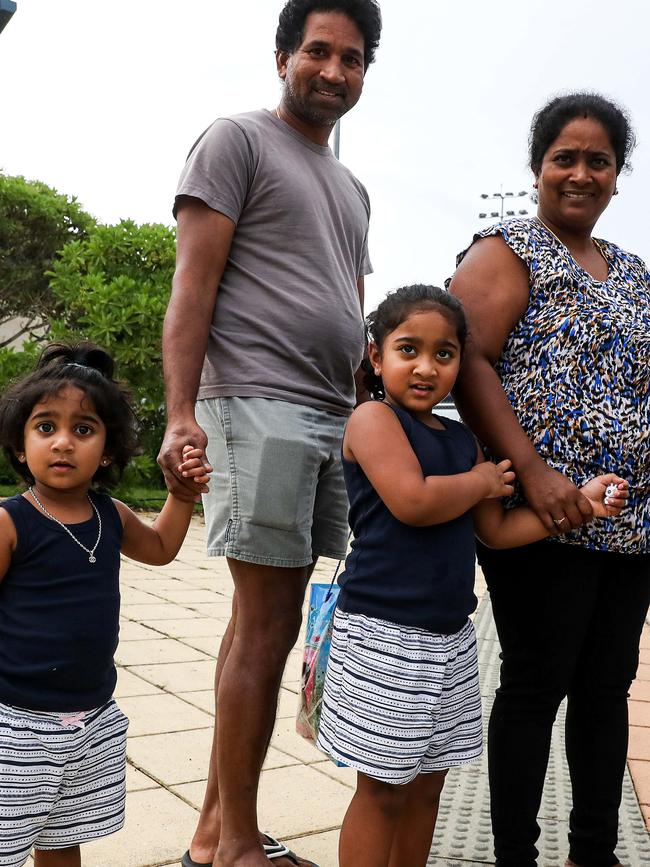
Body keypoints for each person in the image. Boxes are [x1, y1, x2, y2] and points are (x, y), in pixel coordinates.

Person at [157, 1, 382, 865]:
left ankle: (215, 830)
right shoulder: (237, 140)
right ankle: (238, 846)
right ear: (283, 54)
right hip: (257, 399)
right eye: (318, 51)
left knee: (269, 621)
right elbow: (193, 286)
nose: (333, 69)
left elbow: (347, 306)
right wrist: (182, 414)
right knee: (264, 621)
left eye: (352, 58)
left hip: (329, 413)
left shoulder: (352, 184)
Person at [314, 284, 628, 867]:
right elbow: (412, 500)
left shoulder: (462, 439)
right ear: (376, 357)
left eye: (445, 353)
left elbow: (497, 532)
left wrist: (581, 505)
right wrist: (483, 482)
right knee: (382, 791)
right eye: (408, 349)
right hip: (384, 636)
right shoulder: (372, 420)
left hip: (450, 638)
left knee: (430, 783)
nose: (427, 367)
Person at [448, 92, 650, 867]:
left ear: (616, 176)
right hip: (544, 514)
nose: (579, 172)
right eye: (564, 156)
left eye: (597, 159)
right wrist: (532, 471)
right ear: (537, 167)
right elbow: (467, 358)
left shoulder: (633, 271)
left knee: (607, 688)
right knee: (538, 683)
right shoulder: (507, 250)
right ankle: (516, 856)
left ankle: (592, 852)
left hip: (629, 522)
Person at [0, 342, 210, 867]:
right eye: (46, 427)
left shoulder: (109, 515)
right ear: (21, 447)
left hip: (90, 715)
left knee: (61, 839)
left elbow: (160, 549)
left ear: (109, 450)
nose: (63, 443)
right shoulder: (10, 522)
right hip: (15, 721)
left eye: (84, 429)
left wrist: (181, 497)